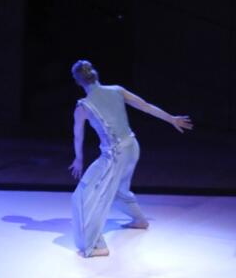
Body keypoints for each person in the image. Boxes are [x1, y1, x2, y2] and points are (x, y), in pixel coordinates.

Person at [68, 60, 192, 258]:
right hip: (132, 147)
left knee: (87, 195)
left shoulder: (83, 107)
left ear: (78, 81)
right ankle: (139, 220)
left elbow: (78, 135)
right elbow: (145, 106)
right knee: (118, 190)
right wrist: (171, 119)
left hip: (114, 155)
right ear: (95, 75)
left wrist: (79, 159)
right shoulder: (117, 90)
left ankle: (96, 245)